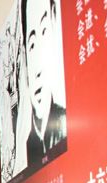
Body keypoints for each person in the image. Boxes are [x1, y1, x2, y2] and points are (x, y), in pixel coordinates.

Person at [22, 0, 67, 171]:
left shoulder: (65, 123)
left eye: (45, 31)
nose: (39, 70)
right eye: (32, 45)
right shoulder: (25, 149)